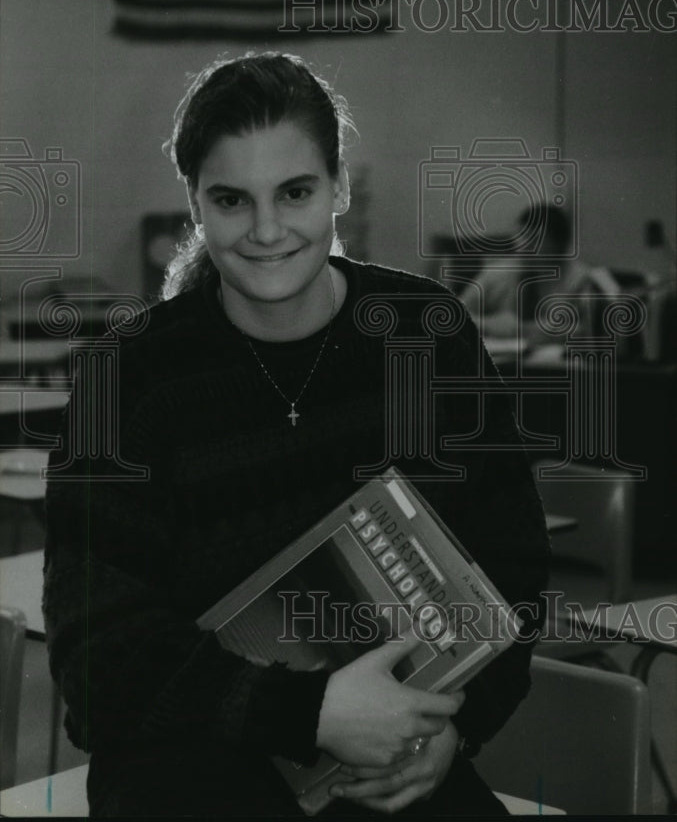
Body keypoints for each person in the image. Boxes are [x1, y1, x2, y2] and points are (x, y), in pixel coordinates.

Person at [43, 52, 550, 817]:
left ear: (339, 187)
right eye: (231, 199)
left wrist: (457, 725)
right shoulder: (127, 377)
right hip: (190, 767)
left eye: (296, 191)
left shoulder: (427, 334)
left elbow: (510, 564)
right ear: (195, 203)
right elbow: (96, 662)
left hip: (395, 753)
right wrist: (310, 713)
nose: (267, 230)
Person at [459, 203, 620, 345]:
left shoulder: (580, 279)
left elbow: (586, 330)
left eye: (534, 239)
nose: (522, 245)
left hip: (554, 365)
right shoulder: (496, 273)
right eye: (520, 235)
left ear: (558, 246)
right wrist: (488, 324)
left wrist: (521, 329)